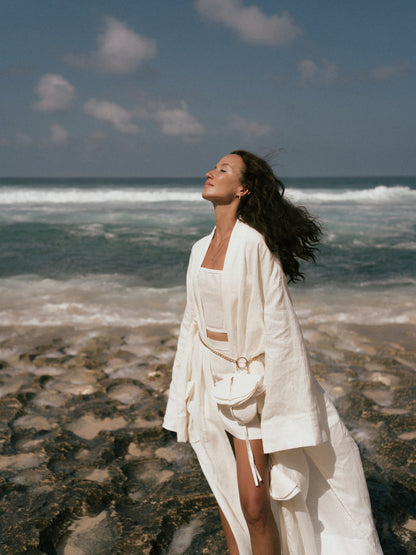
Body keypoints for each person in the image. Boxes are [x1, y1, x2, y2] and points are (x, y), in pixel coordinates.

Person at [163, 150, 382, 554]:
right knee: (224, 488)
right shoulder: (198, 249)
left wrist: (280, 398)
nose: (210, 173)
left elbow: (282, 328)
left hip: (252, 387)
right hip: (208, 377)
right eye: (213, 168)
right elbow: (191, 322)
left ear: (243, 188)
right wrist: (184, 389)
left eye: (223, 170)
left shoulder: (255, 246)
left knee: (254, 505)